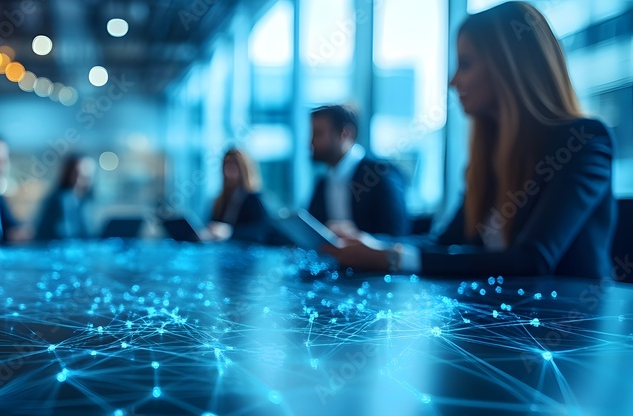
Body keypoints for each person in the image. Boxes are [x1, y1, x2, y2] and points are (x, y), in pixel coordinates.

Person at [325, 1, 615, 279]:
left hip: (571, 324)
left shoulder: (584, 141)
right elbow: (445, 243)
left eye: (465, 64)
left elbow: (532, 259)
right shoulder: (490, 153)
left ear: (509, 68)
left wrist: (392, 257)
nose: (453, 82)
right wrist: (370, 243)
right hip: (501, 319)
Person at [307, 105, 409, 237]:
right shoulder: (323, 182)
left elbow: (396, 235)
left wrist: (357, 238)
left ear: (345, 134)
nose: (311, 142)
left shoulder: (381, 174)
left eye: (318, 133)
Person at [206, 148, 271, 241]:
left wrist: (230, 232)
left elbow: (262, 232)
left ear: (244, 169)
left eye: (234, 165)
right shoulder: (220, 201)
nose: (228, 170)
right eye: (226, 165)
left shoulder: (254, 199)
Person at [35, 155, 95, 240]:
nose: (85, 179)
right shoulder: (63, 199)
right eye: (80, 174)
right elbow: (68, 234)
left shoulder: (82, 200)